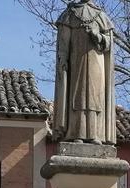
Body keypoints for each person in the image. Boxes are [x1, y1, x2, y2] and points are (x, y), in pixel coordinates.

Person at [53, 0, 117, 144]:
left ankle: (96, 135)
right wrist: (63, 58)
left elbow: (109, 44)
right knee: (78, 96)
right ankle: (77, 134)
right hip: (76, 62)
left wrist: (97, 36)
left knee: (95, 98)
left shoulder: (101, 15)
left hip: (97, 63)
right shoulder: (71, 13)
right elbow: (64, 40)